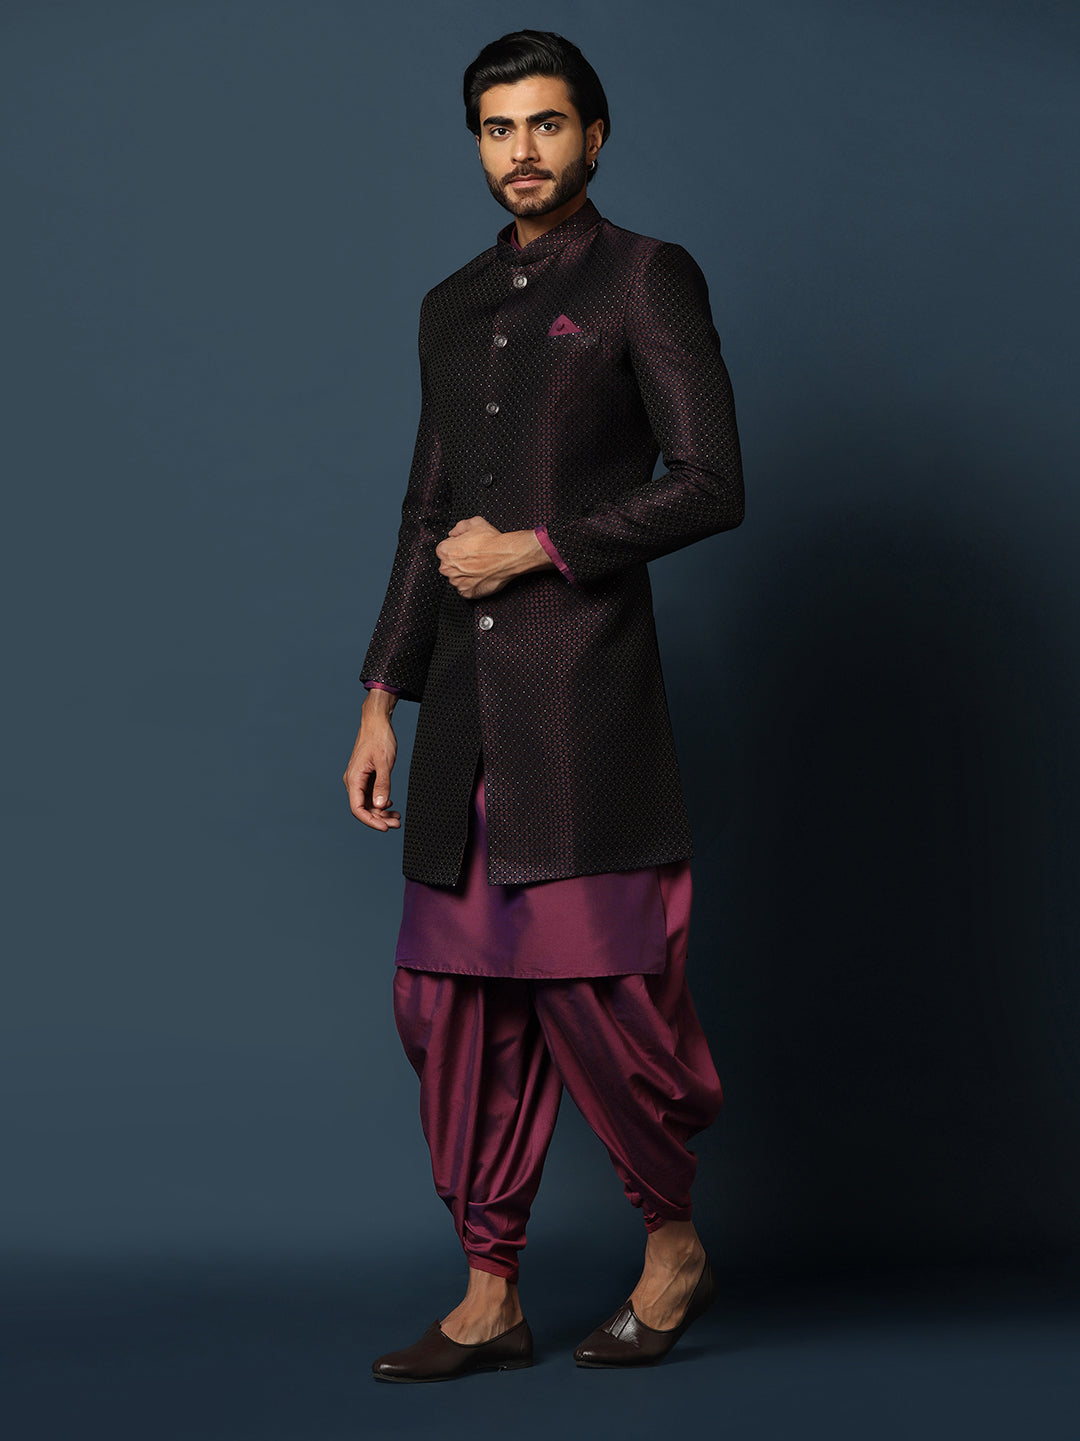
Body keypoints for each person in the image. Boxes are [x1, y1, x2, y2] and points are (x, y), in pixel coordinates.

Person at [343, 29, 744, 1381]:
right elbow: (425, 513)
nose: (523, 149)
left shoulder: (643, 276)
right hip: (462, 714)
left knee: (603, 994)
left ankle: (672, 1248)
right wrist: (382, 693)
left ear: (596, 135)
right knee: (450, 1004)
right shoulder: (450, 305)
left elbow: (712, 481)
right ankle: (489, 1293)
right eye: (499, 127)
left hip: (582, 702)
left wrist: (538, 546)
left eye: (548, 123)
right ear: (478, 143)